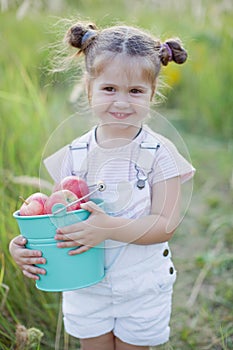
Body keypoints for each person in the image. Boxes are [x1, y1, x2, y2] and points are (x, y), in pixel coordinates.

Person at [9, 21, 195, 350]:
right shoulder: (73, 155)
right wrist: (25, 246)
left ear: (152, 94)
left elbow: (165, 224)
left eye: (135, 91)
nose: (122, 102)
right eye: (110, 89)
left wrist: (108, 228)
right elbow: (58, 219)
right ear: (89, 87)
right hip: (84, 285)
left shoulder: (160, 154)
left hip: (140, 286)